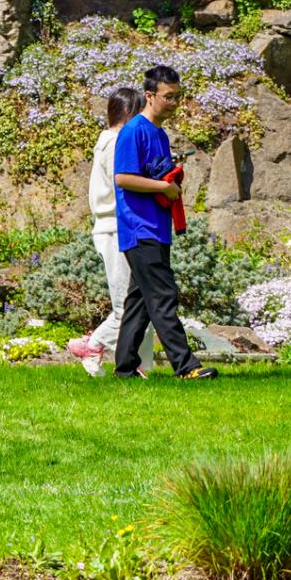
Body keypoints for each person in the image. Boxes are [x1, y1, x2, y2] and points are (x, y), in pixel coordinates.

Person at [111, 64, 217, 380]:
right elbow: (123, 178)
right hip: (138, 227)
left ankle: (125, 369)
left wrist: (169, 181)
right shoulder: (134, 131)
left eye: (177, 97)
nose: (173, 103)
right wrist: (163, 187)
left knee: (140, 303)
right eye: (168, 97)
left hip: (157, 228)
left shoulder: (159, 133)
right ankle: (186, 367)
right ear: (149, 95)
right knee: (162, 297)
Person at [68, 87, 155, 377]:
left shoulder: (112, 140)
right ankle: (93, 345)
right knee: (128, 305)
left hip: (120, 225)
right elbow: (124, 182)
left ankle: (138, 366)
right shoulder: (116, 141)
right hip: (116, 226)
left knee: (142, 299)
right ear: (131, 113)